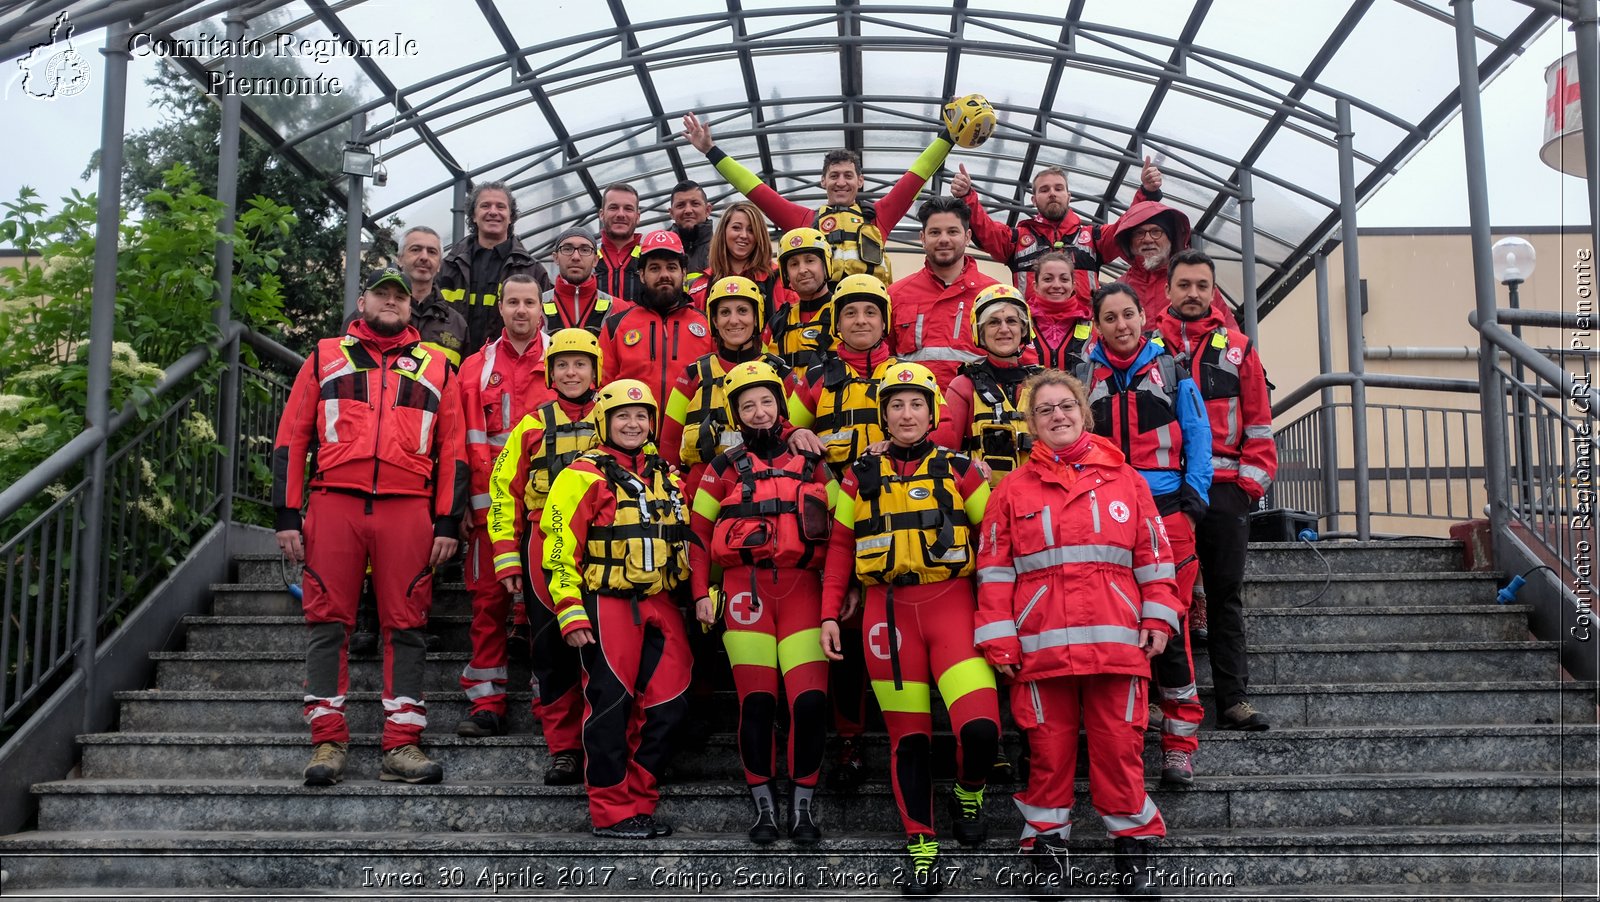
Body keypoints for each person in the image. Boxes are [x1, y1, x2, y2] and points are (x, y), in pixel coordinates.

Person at [974, 369, 1179, 898]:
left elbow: (1154, 555)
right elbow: (994, 570)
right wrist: (999, 639)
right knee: (1047, 752)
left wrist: (1158, 616)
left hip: (1117, 642)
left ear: (1084, 413)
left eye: (1066, 406)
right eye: (1045, 411)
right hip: (1041, 646)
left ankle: (1133, 850)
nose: (1058, 416)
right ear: (1032, 424)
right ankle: (1046, 849)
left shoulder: (1126, 479)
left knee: (1119, 750)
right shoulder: (1011, 490)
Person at [271, 266, 467, 787]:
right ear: (362, 301)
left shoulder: (437, 366)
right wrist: (288, 515)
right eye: (381, 293)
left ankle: (401, 743)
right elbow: (292, 439)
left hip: (408, 507)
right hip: (334, 502)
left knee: (406, 622)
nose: (390, 302)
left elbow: (454, 451)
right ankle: (327, 740)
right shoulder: (325, 355)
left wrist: (447, 520)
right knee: (327, 619)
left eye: (399, 296)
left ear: (412, 308)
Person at [820, 362, 999, 894]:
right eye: (895, 404)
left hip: (953, 609)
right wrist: (830, 612)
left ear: (932, 413)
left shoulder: (962, 470)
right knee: (909, 740)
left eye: (915, 403)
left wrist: (997, 613)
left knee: (981, 730)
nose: (905, 413)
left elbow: (993, 543)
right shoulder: (858, 475)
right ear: (883, 414)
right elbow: (838, 549)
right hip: (886, 617)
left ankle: (969, 793)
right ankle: (922, 846)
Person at [689, 361, 834, 846]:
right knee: (757, 702)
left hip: (803, 592)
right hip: (744, 595)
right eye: (747, 404)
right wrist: (698, 595)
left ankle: (803, 806)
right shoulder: (722, 467)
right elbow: (697, 536)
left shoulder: (814, 461)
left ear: (780, 405)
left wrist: (841, 594)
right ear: (735, 411)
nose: (757, 412)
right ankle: (765, 808)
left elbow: (847, 529)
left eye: (766, 401)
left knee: (809, 703)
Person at [540, 379, 692, 839]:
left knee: (671, 701)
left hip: (661, 602)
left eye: (641, 415)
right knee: (610, 704)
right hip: (607, 604)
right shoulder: (580, 475)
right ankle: (610, 810)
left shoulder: (667, 474)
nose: (633, 423)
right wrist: (569, 609)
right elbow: (559, 547)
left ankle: (640, 800)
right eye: (623, 416)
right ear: (604, 421)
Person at [1085, 282, 1211, 789]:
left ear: (1144, 317)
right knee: (1121, 630)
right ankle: (1130, 738)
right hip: (1107, 509)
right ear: (1097, 325)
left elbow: (1198, 437)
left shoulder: (1175, 370)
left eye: (1128, 315)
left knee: (1170, 628)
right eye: (1110, 317)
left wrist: (1193, 504)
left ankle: (1179, 745)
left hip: (1166, 508)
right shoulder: (1082, 375)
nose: (1121, 325)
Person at [1152, 249, 1277, 732]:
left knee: (1225, 596)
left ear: (1213, 291)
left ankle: (1234, 699)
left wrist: (1248, 486)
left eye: (1202, 286)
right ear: (1168, 290)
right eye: (1184, 285)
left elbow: (1259, 424)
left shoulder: (1239, 348)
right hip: (1167, 491)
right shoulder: (1149, 348)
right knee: (1162, 596)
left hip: (1225, 491)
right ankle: (1162, 699)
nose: (1193, 294)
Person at [487, 328, 604, 785]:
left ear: (596, 370)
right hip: (543, 543)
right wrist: (506, 556)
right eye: (562, 365)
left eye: (580, 364)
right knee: (552, 650)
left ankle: (603, 740)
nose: (571, 372)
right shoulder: (532, 426)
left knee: (601, 650)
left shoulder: (617, 417)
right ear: (550, 372)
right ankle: (564, 750)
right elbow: (503, 492)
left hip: (604, 546)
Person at [683, 109, 961, 283]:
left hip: (870, 320)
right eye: (834, 176)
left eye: (848, 176)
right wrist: (711, 151)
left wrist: (951, 133)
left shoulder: (879, 217)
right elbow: (755, 190)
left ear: (860, 181)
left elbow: (918, 174)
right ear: (823, 181)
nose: (841, 182)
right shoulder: (804, 220)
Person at [454, 274, 553, 738]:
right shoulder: (475, 367)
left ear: (541, 308)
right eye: (512, 302)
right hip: (489, 510)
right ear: (500, 308)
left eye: (528, 302)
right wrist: (470, 510)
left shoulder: (566, 359)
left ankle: (547, 701)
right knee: (488, 606)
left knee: (547, 607)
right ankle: (486, 703)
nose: (520, 310)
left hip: (549, 513)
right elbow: (462, 441)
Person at [950, 160, 1163, 305]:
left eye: (1058, 189)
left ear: (1069, 196)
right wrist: (967, 195)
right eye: (1044, 190)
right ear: (1033, 200)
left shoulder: (1093, 238)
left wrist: (1147, 192)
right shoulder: (1016, 240)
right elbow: (985, 229)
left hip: (1083, 342)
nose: (1052, 194)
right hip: (1032, 340)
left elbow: (1126, 225)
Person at [660, 276, 792, 485]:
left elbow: (798, 433)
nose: (733, 320)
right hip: (701, 492)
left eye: (742, 310)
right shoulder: (693, 375)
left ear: (756, 317)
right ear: (714, 321)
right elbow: (669, 442)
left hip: (768, 491)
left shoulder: (780, 373)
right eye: (724, 312)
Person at [596, 230, 716, 431]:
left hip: (691, 443)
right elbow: (601, 389)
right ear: (642, 275)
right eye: (654, 268)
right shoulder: (615, 326)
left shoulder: (707, 326)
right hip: (631, 444)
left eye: (671, 267)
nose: (664, 275)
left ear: (683, 273)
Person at [787, 274, 900, 472]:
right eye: (850, 313)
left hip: (896, 493)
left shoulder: (910, 374)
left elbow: (943, 429)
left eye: (871, 312)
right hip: (836, 491)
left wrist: (900, 446)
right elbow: (785, 428)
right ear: (836, 324)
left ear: (885, 322)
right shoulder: (816, 378)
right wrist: (794, 433)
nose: (861, 321)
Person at [933, 284, 1043, 484]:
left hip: (1040, 497)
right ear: (980, 331)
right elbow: (944, 453)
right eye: (993, 322)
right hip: (986, 500)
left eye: (1011, 321)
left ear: (1023, 329)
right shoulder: (963, 386)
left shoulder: (1044, 385)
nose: (1004, 329)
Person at [888, 197, 1000, 386]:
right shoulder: (895, 295)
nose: (944, 239)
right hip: (915, 410)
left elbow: (1019, 360)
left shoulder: (994, 295)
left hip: (976, 410)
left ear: (967, 236)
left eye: (952, 231)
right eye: (935, 232)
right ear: (922, 238)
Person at [437, 180, 554, 355]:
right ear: (474, 215)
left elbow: (546, 327)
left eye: (500, 206)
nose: (493, 212)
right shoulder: (448, 267)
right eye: (485, 206)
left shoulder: (532, 271)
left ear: (511, 216)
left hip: (508, 373)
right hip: (452, 372)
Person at [1103, 198, 1238, 328]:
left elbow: (1232, 339)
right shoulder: (1119, 288)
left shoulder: (1195, 283)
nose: (1148, 239)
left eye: (1156, 232)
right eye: (1139, 233)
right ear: (1129, 242)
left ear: (1171, 238)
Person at [687, 200, 787, 321]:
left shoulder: (780, 281)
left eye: (751, 230)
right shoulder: (701, 286)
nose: (744, 235)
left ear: (760, 236)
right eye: (736, 228)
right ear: (723, 232)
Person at [395, 226, 470, 368]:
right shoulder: (374, 315)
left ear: (439, 265)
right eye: (416, 249)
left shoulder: (457, 325)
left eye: (432, 252)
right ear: (399, 259)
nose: (424, 257)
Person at [766, 227, 835, 372]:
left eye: (810, 260)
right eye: (794, 264)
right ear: (786, 274)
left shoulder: (845, 313)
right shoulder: (777, 323)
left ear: (826, 264)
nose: (802, 270)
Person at [543, 226, 628, 335]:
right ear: (555, 258)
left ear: (595, 260)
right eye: (567, 249)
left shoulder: (618, 308)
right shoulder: (536, 307)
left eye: (585, 250)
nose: (576, 257)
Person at [1027, 251, 1096, 372]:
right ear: (1035, 286)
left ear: (1073, 286)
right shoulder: (1020, 322)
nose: (1057, 285)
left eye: (1064, 279)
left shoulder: (1092, 325)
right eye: (1048, 279)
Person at [594, 183, 643, 302]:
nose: (621, 214)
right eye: (613, 207)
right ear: (601, 214)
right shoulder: (585, 257)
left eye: (628, 208)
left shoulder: (650, 257)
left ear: (637, 217)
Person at [668, 179, 714, 276]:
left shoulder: (723, 249)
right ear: (671, 213)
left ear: (708, 210)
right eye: (680, 205)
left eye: (695, 203)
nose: (688, 210)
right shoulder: (661, 251)